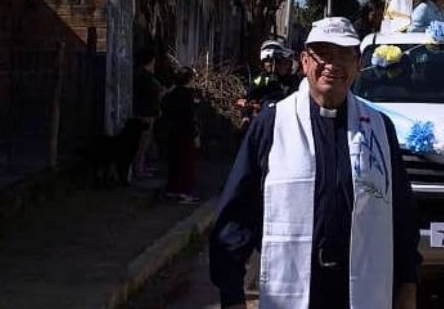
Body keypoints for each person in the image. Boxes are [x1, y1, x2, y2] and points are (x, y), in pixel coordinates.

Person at [210, 17, 421, 309]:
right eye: (324, 54)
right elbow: (238, 211)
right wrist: (232, 294)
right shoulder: (272, 124)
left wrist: (408, 284)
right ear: (305, 62)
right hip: (294, 287)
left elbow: (402, 213)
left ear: (358, 64)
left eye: (345, 55)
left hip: (361, 286)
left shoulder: (378, 128)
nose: (333, 65)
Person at [161, 67, 200, 203]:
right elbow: (191, 116)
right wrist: (195, 135)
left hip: (173, 130)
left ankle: (172, 189)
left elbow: (164, 107)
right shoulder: (189, 95)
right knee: (187, 162)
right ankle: (185, 192)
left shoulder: (172, 94)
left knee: (174, 160)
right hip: (186, 132)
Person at [132, 47, 163, 181]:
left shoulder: (146, 75)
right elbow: (153, 91)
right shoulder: (144, 76)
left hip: (150, 112)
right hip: (145, 113)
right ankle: (138, 169)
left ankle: (142, 166)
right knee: (142, 143)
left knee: (147, 142)